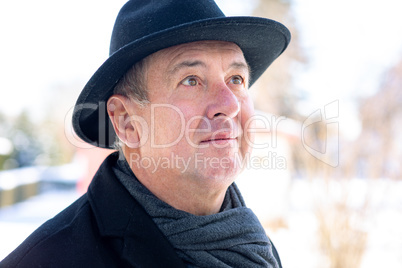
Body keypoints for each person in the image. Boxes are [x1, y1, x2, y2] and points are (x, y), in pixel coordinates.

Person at [1, 0, 290, 267]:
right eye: (191, 80)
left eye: (236, 79)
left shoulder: (249, 243)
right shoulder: (49, 260)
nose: (228, 104)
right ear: (127, 122)